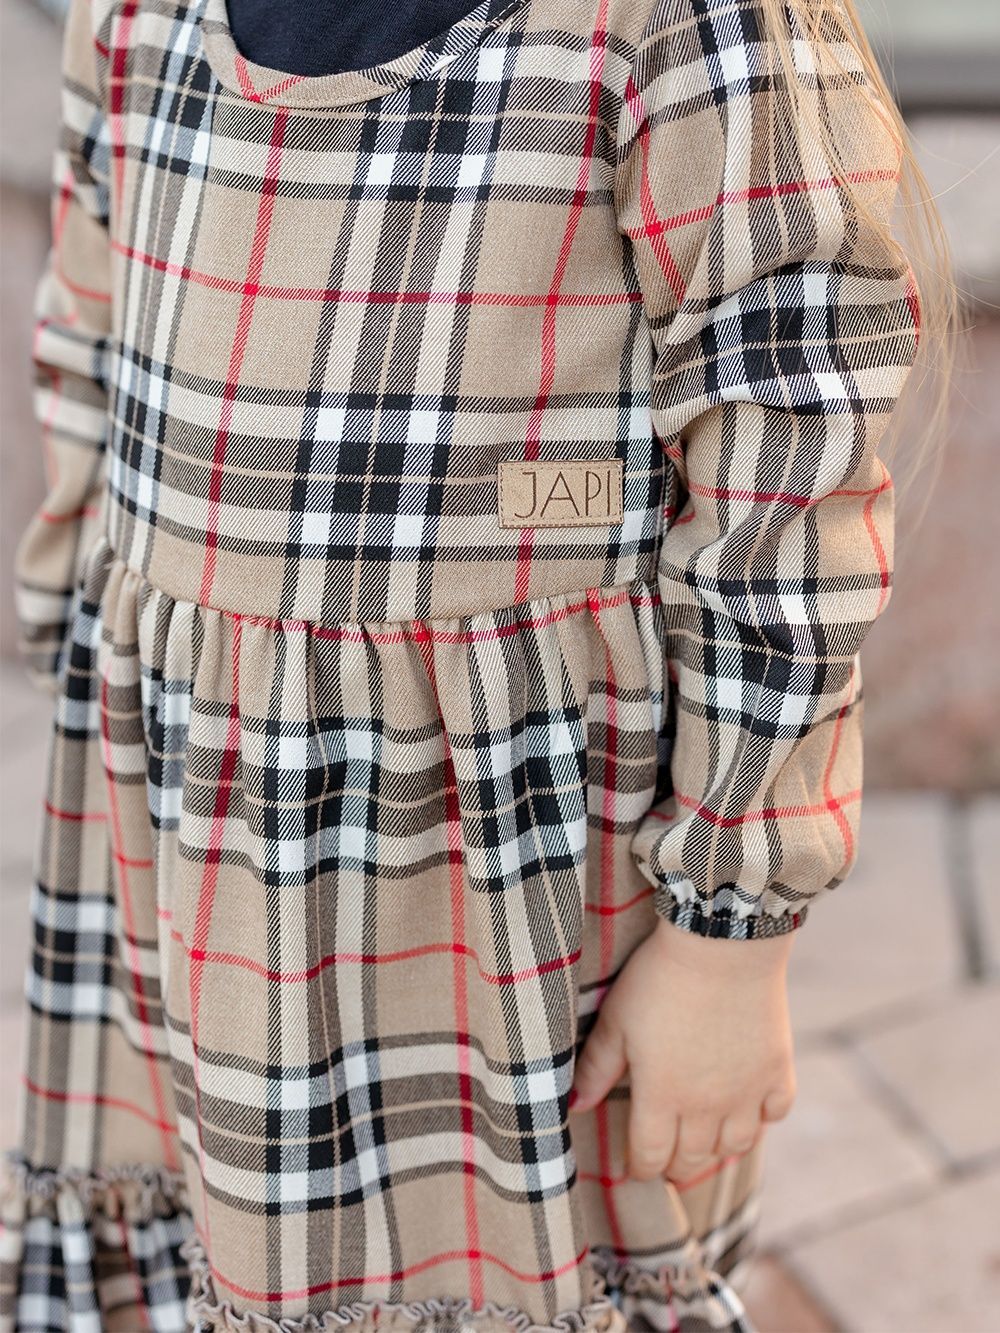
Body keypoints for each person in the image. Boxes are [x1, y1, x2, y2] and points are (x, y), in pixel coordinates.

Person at [0, 0, 954, 1328]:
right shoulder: (138, 15)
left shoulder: (672, 29)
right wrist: (77, 624)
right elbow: (90, 335)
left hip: (500, 884)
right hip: (194, 839)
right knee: (216, 1242)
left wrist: (727, 943)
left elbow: (787, 471)